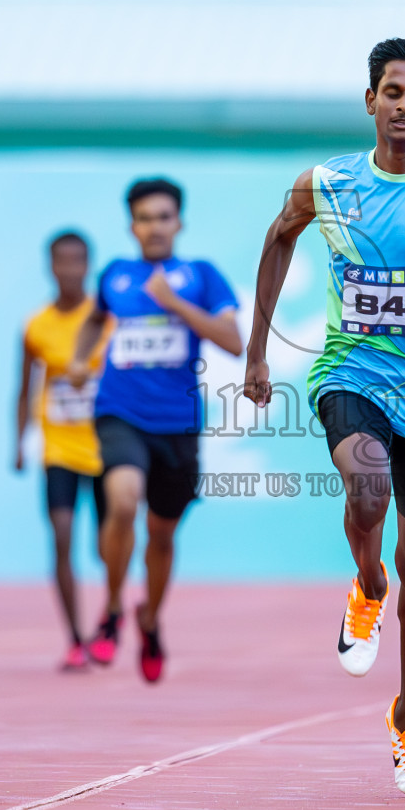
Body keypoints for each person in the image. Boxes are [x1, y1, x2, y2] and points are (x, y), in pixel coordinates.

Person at [244, 38, 405, 797]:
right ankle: (365, 581)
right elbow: (276, 239)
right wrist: (256, 353)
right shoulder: (326, 185)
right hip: (348, 375)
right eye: (392, 92)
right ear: (370, 102)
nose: (404, 106)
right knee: (367, 489)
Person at [67, 178, 241, 682]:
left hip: (178, 424)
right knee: (122, 500)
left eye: (164, 216)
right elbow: (93, 321)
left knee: (161, 534)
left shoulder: (201, 276)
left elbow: (231, 339)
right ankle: (114, 607)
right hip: (120, 411)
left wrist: (174, 303)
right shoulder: (115, 276)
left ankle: (149, 618)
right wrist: (81, 359)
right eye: (145, 218)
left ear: (179, 222)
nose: (155, 226)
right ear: (132, 226)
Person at [15, 230, 110, 671]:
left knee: (108, 548)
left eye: (78, 261)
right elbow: (23, 388)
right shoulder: (36, 326)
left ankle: (111, 616)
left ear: (88, 265)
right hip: (57, 448)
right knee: (61, 538)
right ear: (50, 266)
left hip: (104, 447)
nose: (70, 270)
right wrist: (19, 441)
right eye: (61, 261)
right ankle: (75, 638)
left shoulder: (106, 321)